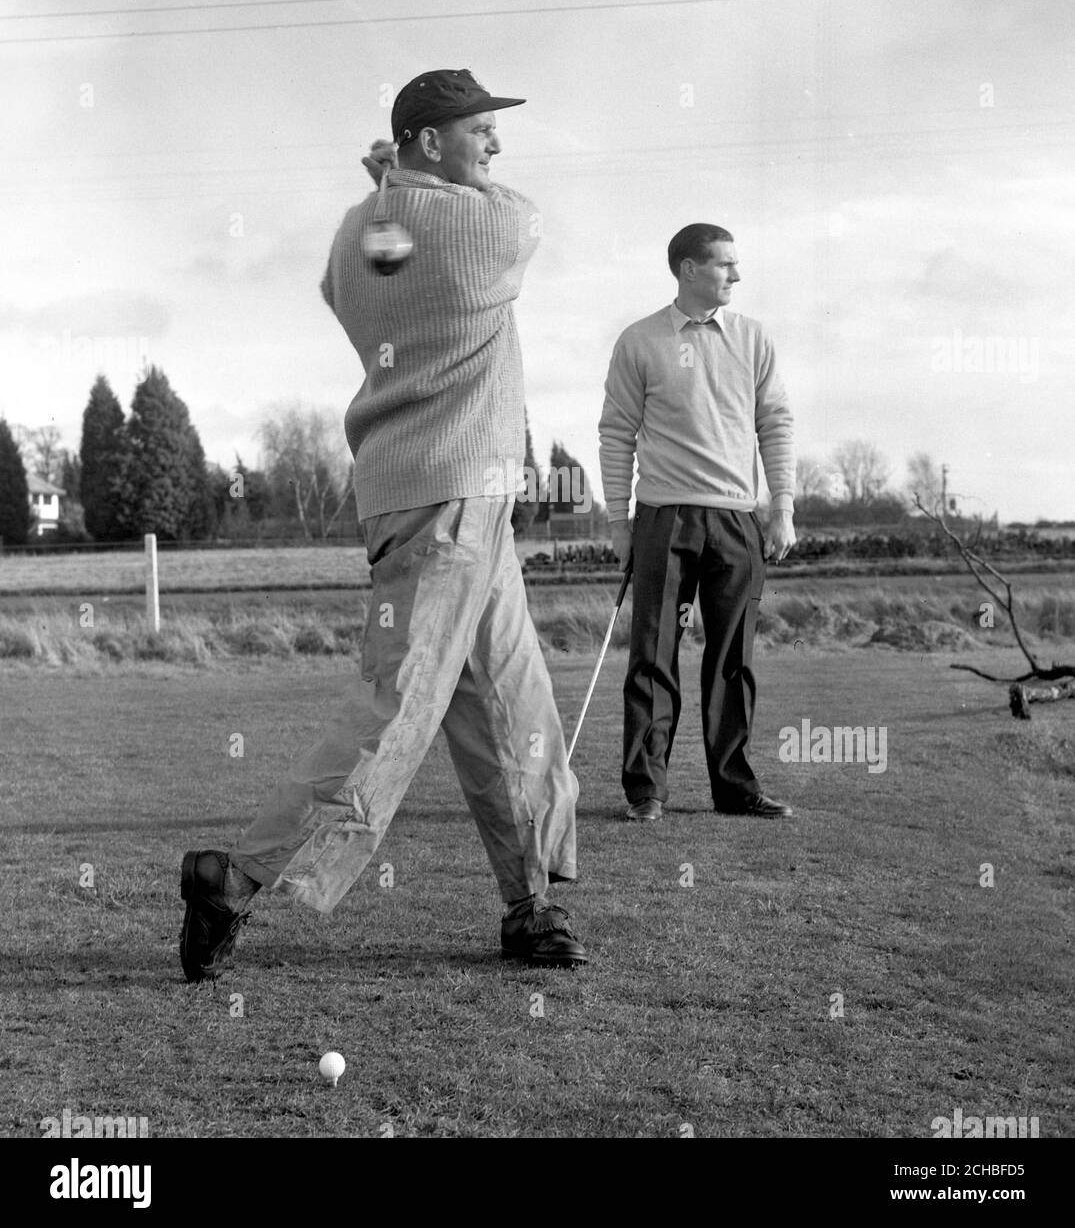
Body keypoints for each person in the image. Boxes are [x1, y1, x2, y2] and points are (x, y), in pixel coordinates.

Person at [180, 69, 586, 980]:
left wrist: (389, 189)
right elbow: (523, 223)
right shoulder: (465, 221)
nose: (495, 148)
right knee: (397, 708)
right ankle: (231, 879)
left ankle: (529, 904)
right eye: (479, 131)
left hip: (449, 496)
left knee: (513, 705)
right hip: (448, 498)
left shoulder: (361, 230)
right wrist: (409, 189)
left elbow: (342, 285)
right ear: (429, 139)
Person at [598, 222, 795, 823]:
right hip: (664, 517)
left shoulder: (754, 339)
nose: (735, 275)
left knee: (732, 658)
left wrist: (782, 508)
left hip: (738, 520)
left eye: (736, 265)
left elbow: (776, 425)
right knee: (653, 654)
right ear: (687, 269)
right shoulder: (639, 340)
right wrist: (619, 522)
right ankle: (647, 791)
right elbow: (616, 433)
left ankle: (734, 789)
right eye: (723, 265)